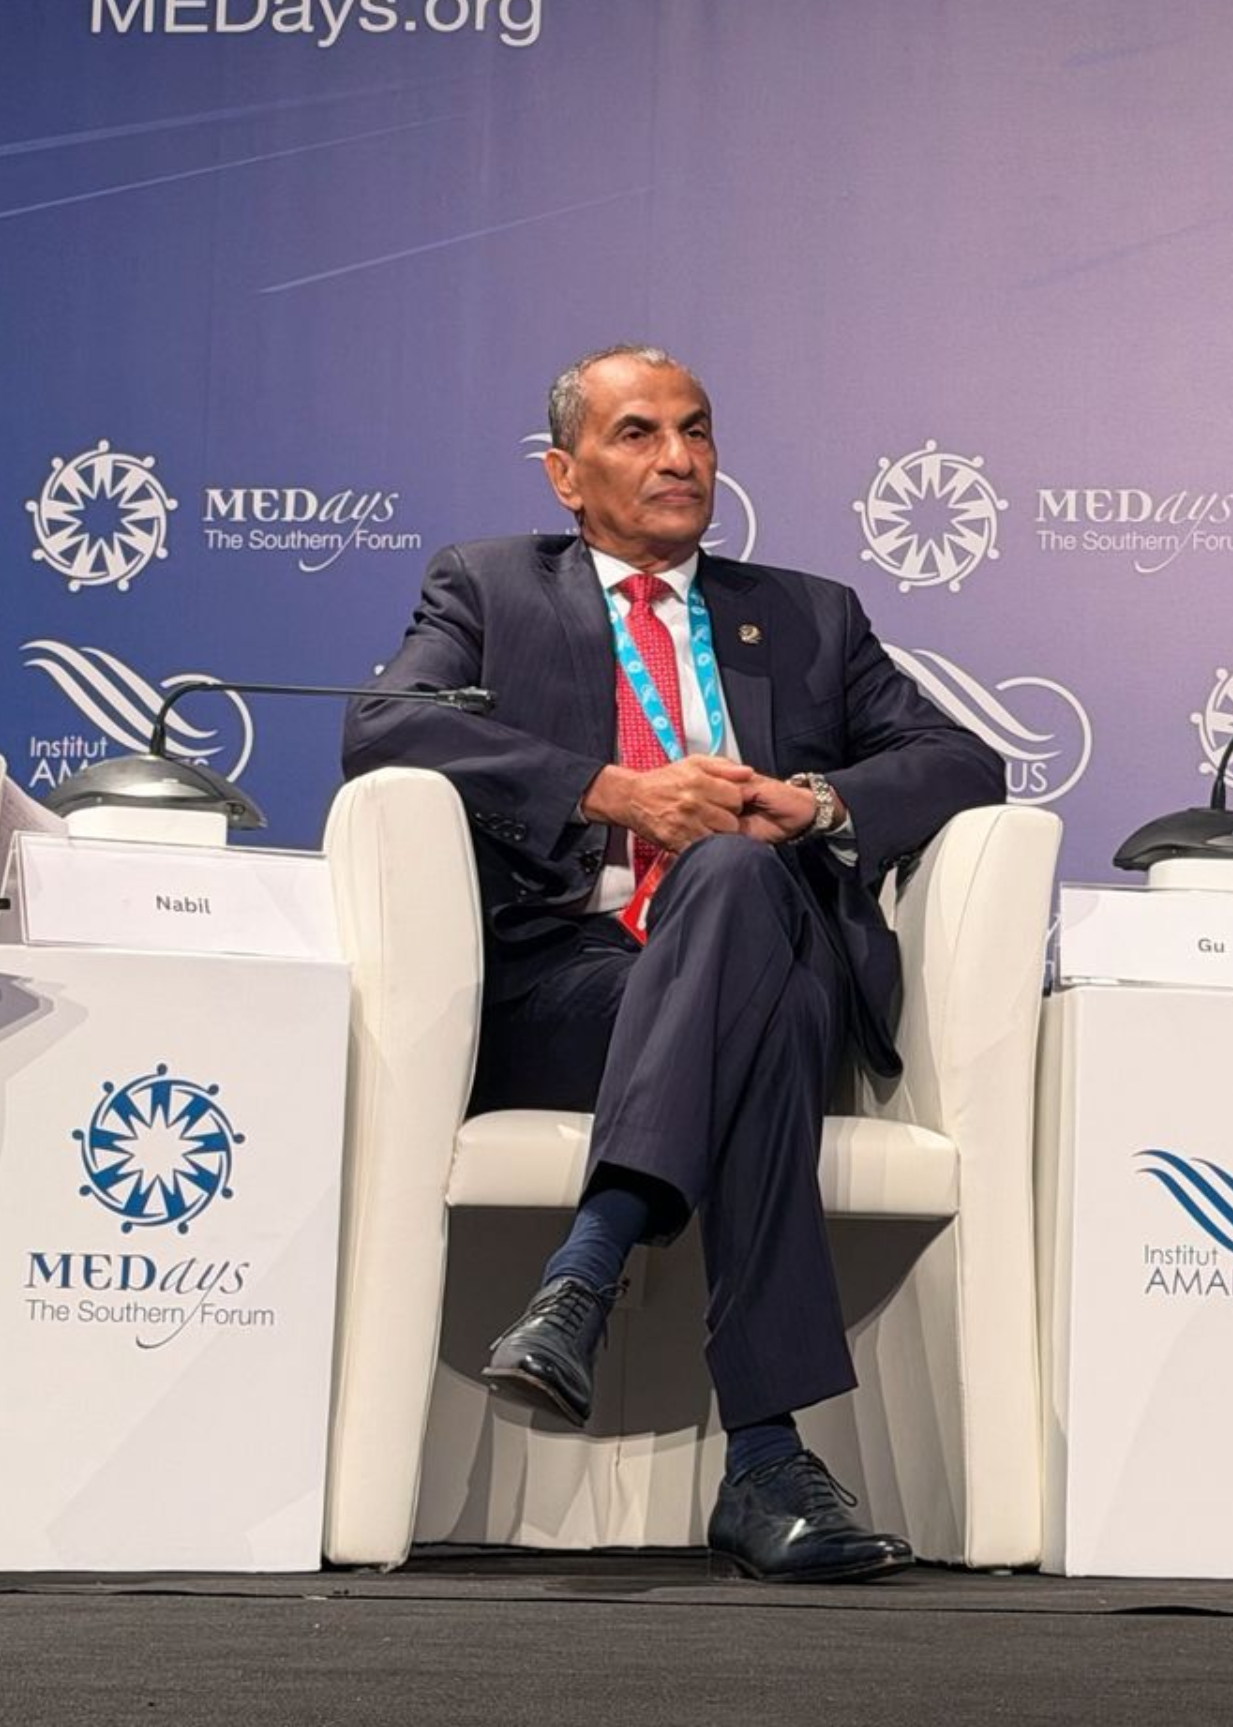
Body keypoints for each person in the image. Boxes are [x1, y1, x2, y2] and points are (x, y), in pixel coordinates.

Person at [342, 345, 1002, 1582]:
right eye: (637, 433)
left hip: (761, 947)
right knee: (759, 1024)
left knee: (740, 879)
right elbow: (385, 729)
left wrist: (813, 804)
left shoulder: (809, 614)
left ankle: (586, 1272)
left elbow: (966, 762)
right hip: (570, 981)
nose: (678, 458)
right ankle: (766, 1462)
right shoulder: (490, 587)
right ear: (565, 474)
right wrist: (615, 793)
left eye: (694, 431)